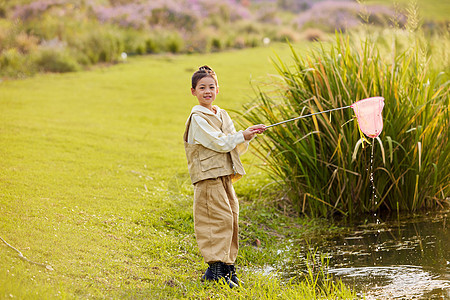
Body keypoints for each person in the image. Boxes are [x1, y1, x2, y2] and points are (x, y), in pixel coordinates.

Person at [183, 65, 265, 288]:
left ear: (218, 89)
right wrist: (241, 135)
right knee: (216, 220)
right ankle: (215, 270)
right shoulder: (198, 117)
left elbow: (234, 144)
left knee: (232, 217)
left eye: (211, 87)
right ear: (193, 92)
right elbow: (219, 142)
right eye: (202, 88)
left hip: (224, 175)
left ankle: (228, 268)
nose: (207, 91)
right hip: (208, 177)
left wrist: (248, 135)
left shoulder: (222, 114)